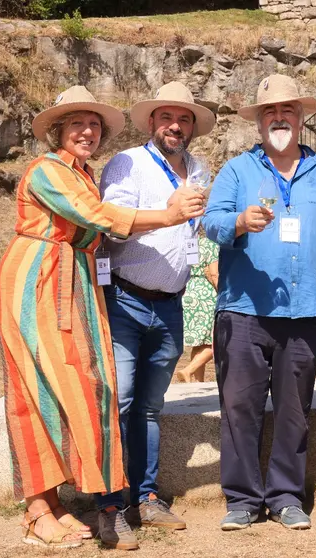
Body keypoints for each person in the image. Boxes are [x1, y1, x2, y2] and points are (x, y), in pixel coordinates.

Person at [0, 86, 193, 549]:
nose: (87, 132)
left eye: (94, 125)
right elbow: (95, 215)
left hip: (74, 279)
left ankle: (56, 503)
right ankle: (37, 509)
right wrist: (165, 217)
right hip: (39, 280)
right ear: (58, 131)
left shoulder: (81, 173)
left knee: (62, 390)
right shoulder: (46, 169)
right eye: (77, 124)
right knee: (38, 388)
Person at [202, 74, 316, 531]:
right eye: (269, 113)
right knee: (239, 407)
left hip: (303, 312)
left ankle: (286, 497)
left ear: (301, 118)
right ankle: (242, 499)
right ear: (259, 123)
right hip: (243, 310)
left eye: (287, 111)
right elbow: (211, 223)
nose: (279, 118)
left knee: (294, 411)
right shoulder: (238, 170)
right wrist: (239, 220)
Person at [96, 82, 215, 549]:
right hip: (124, 300)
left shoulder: (200, 168)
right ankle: (111, 504)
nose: (175, 126)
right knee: (119, 403)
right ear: (151, 123)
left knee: (148, 407)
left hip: (171, 304)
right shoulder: (127, 162)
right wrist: (167, 213)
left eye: (183, 119)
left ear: (192, 128)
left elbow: (200, 229)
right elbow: (110, 221)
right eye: (166, 117)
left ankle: (145, 497)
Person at [178, 228, 219, 383]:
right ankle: (188, 370)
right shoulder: (210, 244)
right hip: (205, 296)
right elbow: (214, 273)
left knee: (199, 342)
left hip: (188, 291)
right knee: (213, 341)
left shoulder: (188, 243)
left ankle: (197, 381)